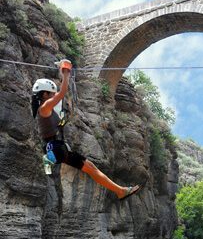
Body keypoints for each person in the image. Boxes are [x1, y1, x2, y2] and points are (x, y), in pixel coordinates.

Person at [31, 59, 141, 200]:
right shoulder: (44, 107)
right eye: (51, 94)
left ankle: (120, 191)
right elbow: (62, 92)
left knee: (91, 168)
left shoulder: (47, 111)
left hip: (57, 149)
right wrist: (66, 73)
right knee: (90, 168)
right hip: (56, 149)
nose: (53, 96)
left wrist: (64, 119)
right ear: (44, 94)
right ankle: (47, 160)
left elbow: (58, 123)